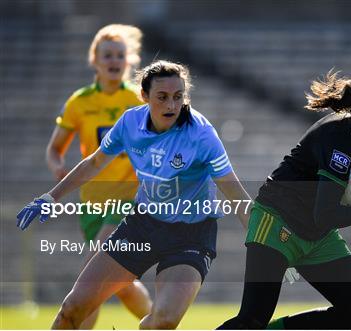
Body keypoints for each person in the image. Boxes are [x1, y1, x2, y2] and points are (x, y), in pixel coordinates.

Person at [17, 60, 252, 329]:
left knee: (163, 320)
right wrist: (51, 197)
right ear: (144, 96)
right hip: (141, 227)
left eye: (178, 97)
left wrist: (268, 249)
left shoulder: (201, 134)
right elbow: (94, 163)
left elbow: (236, 192)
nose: (172, 106)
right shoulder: (130, 122)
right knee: (72, 309)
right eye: (162, 97)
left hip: (191, 235)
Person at [218, 62, 351, 329]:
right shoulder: (343, 134)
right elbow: (326, 214)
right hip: (278, 222)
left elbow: (344, 193)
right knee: (253, 319)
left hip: (316, 232)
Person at [44, 24, 151, 328]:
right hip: (92, 204)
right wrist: (57, 165)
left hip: (130, 200)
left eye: (120, 54)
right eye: (107, 55)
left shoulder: (138, 100)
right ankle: (161, 321)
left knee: (92, 268)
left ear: (129, 60)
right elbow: (54, 149)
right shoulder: (80, 102)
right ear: (95, 60)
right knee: (120, 284)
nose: (114, 60)